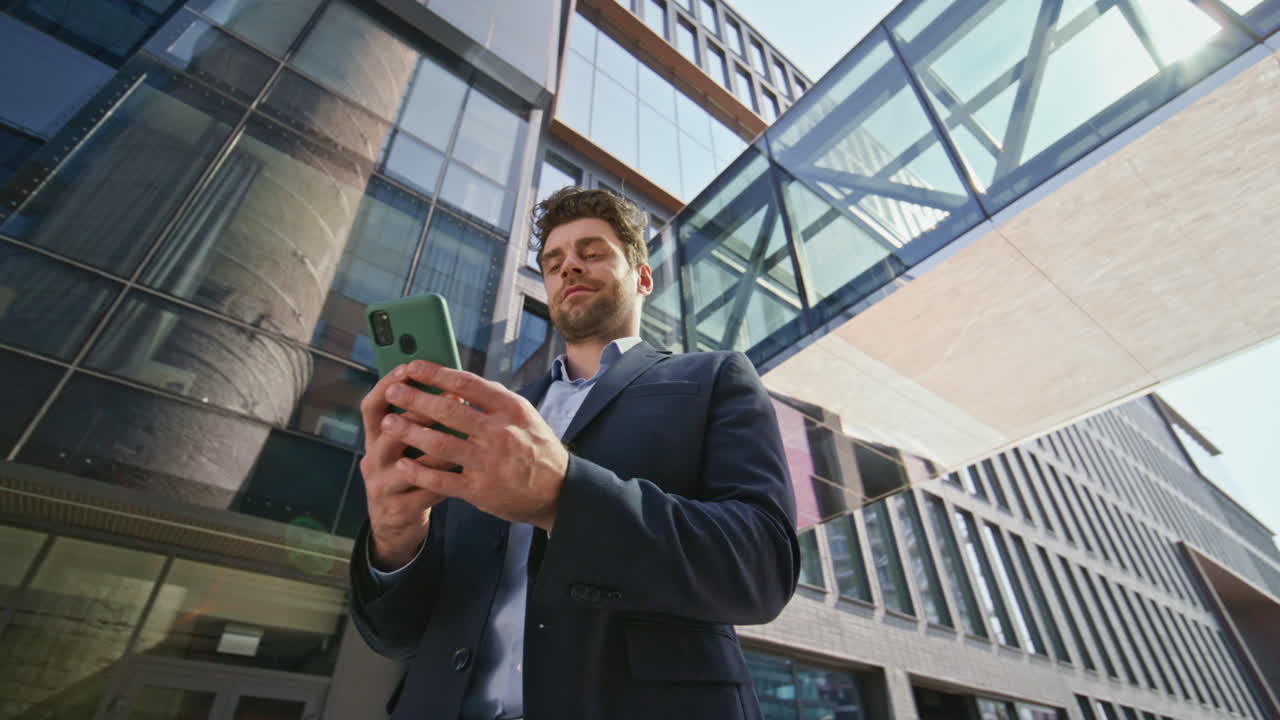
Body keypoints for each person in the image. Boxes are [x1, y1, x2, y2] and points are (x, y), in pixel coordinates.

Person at [350, 187, 800, 719]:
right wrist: (395, 541)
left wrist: (563, 495)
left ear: (643, 277)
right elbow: (397, 637)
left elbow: (763, 567)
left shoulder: (714, 378)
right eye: (554, 262)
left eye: (592, 253)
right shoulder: (487, 416)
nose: (569, 269)